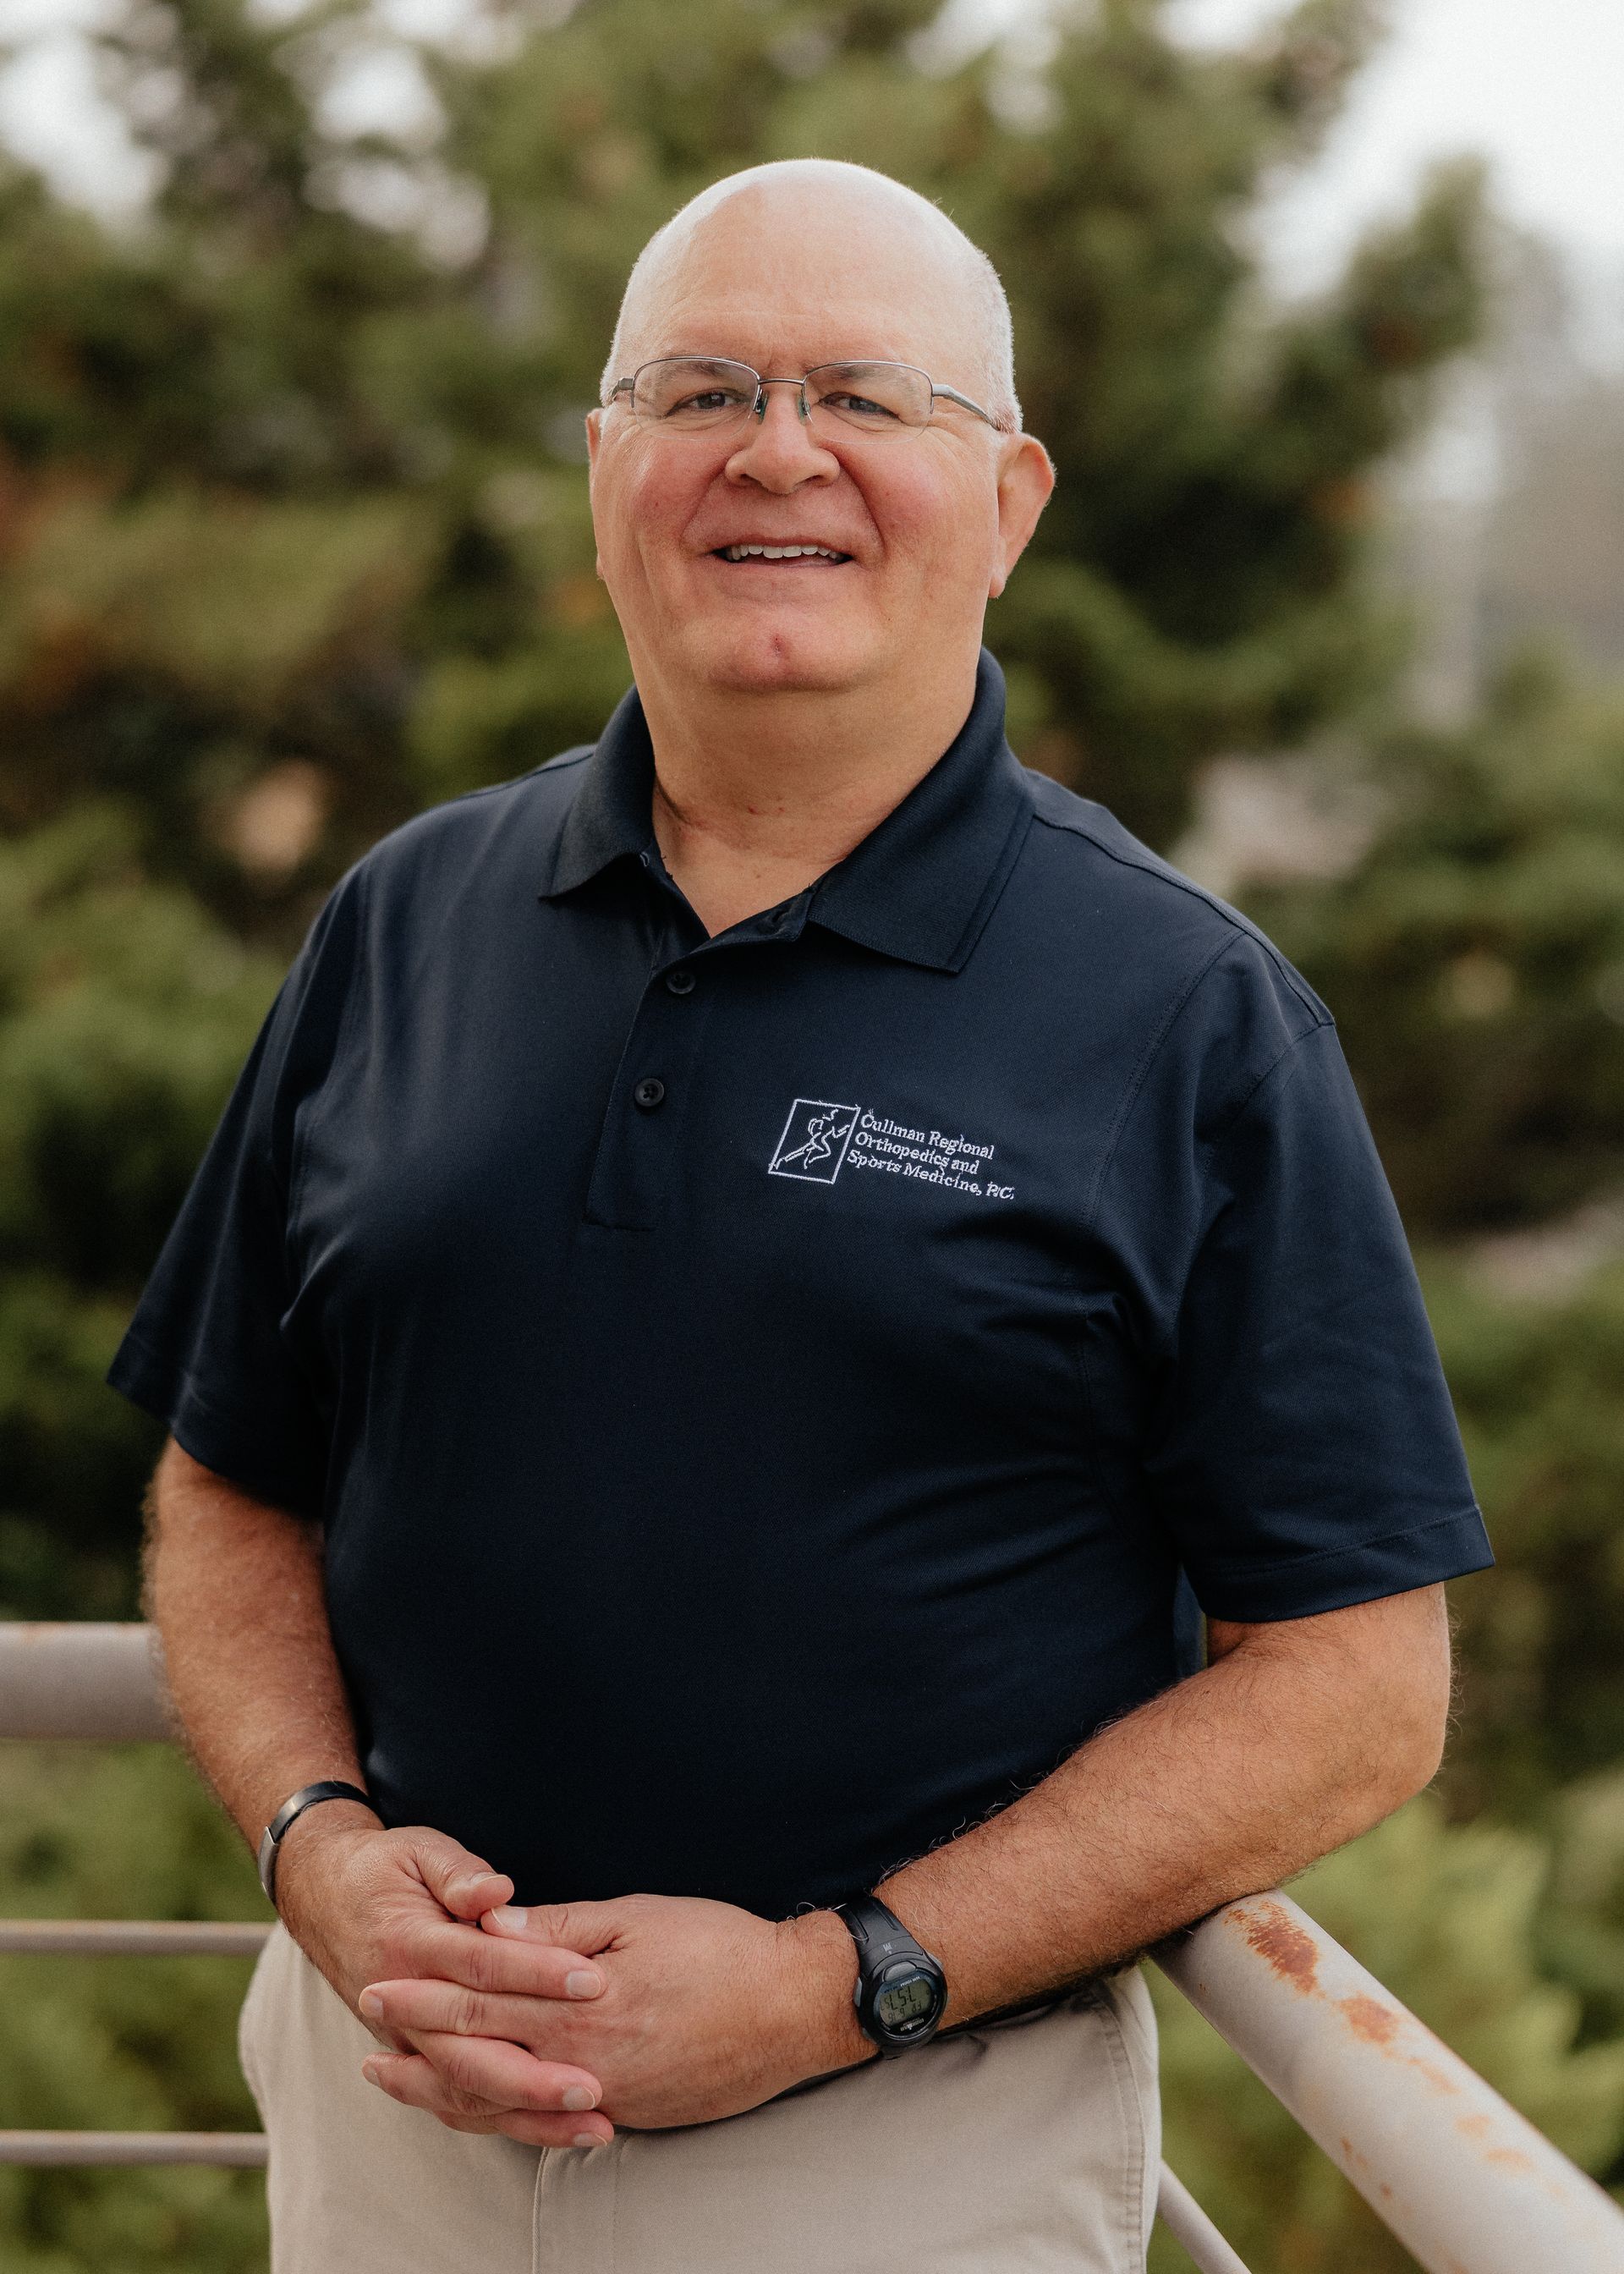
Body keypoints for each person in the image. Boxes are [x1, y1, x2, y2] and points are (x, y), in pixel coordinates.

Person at [109, 158, 1494, 2274]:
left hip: (895, 2146)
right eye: (699, 392)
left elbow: (1357, 1681)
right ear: (606, 474)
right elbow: (231, 1484)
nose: (778, 452)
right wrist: (316, 1846)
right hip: (395, 2115)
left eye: (866, 395)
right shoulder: (405, 922)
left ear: (1009, 503)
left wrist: (848, 1977)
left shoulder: (1187, 1015)